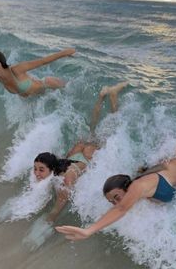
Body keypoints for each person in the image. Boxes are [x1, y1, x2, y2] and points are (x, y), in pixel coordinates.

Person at [55, 129, 176, 241]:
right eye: (112, 201)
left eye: (117, 197)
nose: (116, 202)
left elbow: (121, 208)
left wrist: (89, 230)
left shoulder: (138, 186)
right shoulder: (139, 188)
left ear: (127, 188)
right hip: (169, 164)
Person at [33, 81, 129, 222]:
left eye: (41, 170)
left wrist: (48, 221)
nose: (36, 173)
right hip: (77, 152)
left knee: (113, 126)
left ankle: (113, 94)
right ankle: (102, 96)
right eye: (35, 169)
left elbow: (57, 208)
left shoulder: (66, 179)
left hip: (86, 154)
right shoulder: (57, 167)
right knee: (93, 126)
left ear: (51, 168)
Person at [0, 48, 75, 97]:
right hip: (39, 97)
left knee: (70, 91)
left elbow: (43, 61)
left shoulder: (16, 70)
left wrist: (65, 53)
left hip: (48, 84)